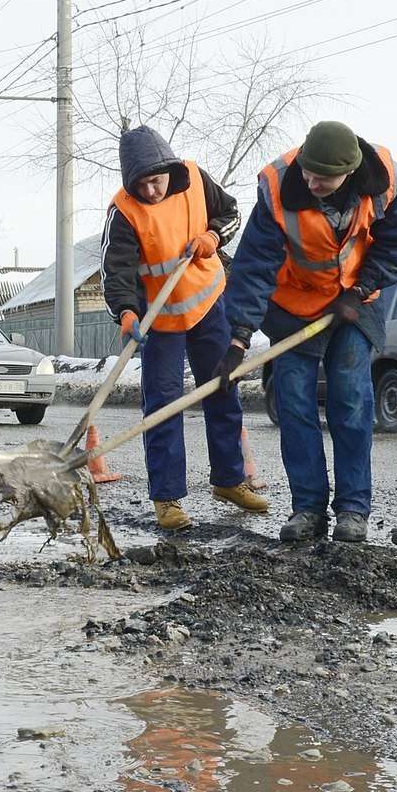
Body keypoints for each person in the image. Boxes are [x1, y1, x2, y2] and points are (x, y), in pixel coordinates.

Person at [219, 121, 397, 543]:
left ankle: (352, 510)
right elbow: (254, 266)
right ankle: (307, 509)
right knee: (293, 407)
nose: (311, 182)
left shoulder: (384, 181)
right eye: (308, 172)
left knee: (351, 400)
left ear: (349, 171)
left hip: (353, 305)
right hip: (294, 308)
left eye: (322, 178)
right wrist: (238, 337)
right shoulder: (277, 188)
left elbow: (396, 243)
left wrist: (363, 288)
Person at [101, 126, 268, 530]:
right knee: (163, 405)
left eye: (156, 182)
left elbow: (231, 215)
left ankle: (229, 480)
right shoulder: (123, 210)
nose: (152, 192)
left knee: (221, 387)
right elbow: (116, 269)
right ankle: (168, 498)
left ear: (169, 171)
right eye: (142, 185)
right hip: (160, 321)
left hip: (209, 304)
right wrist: (125, 311)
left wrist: (212, 236)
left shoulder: (194, 178)